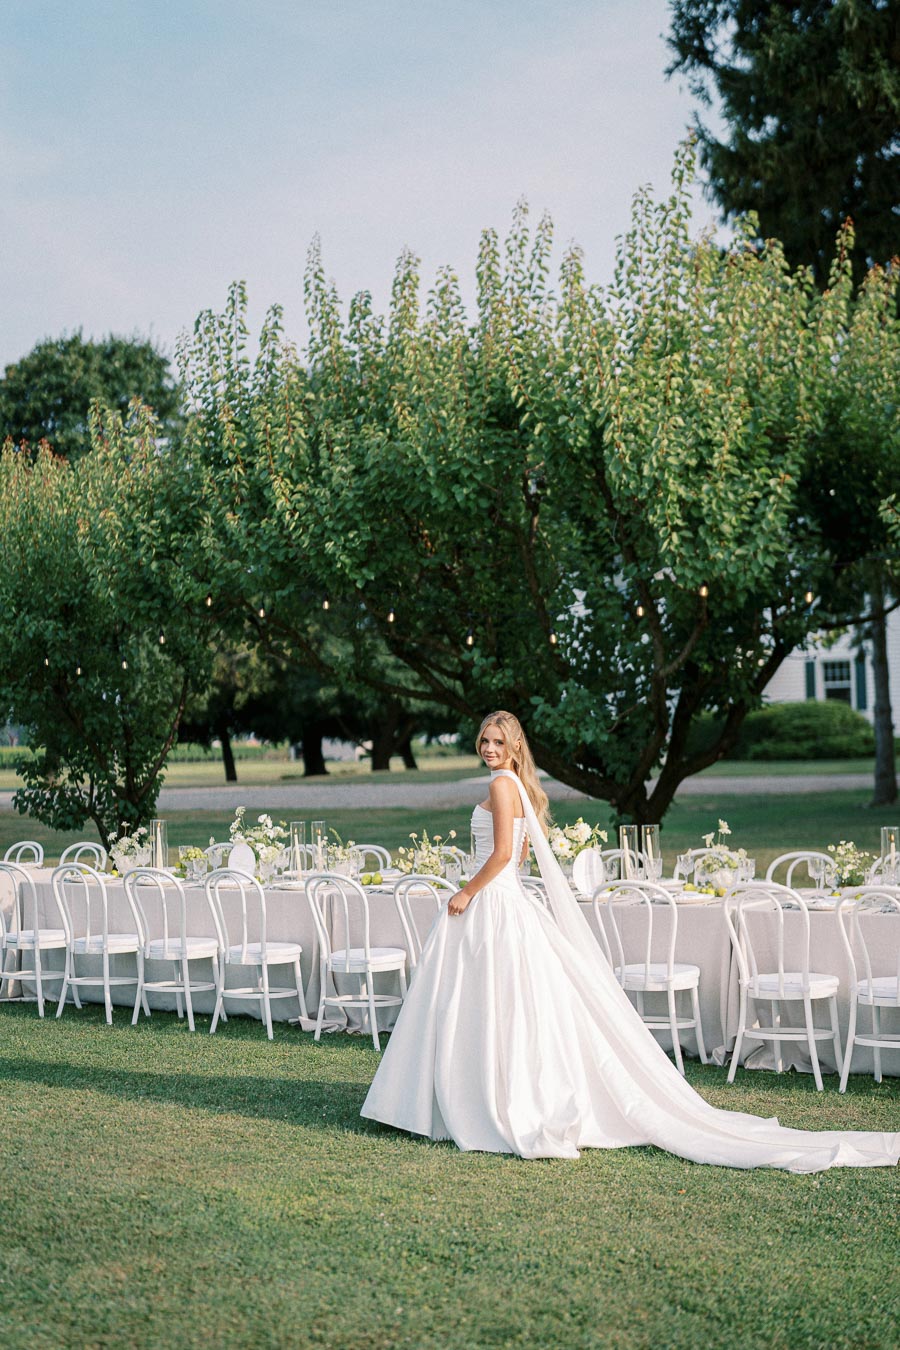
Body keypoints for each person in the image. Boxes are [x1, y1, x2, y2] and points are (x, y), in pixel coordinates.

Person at [361, 711, 900, 1172]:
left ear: (515, 746)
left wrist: (466, 893)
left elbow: (503, 856)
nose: (489, 749)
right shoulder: (516, 787)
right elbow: (520, 856)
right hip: (506, 902)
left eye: (499, 742)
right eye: (484, 740)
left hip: (491, 902)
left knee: (485, 1004)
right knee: (497, 1004)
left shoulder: (504, 786)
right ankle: (477, 1093)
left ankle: (473, 1099)